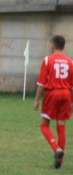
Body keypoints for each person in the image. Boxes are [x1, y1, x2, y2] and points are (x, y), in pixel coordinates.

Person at [34, 35, 73, 169]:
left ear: (52, 46)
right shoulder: (70, 62)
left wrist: (37, 100)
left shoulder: (47, 60)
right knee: (61, 126)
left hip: (52, 93)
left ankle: (56, 149)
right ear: (64, 47)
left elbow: (41, 83)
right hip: (66, 94)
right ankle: (60, 163)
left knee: (44, 125)